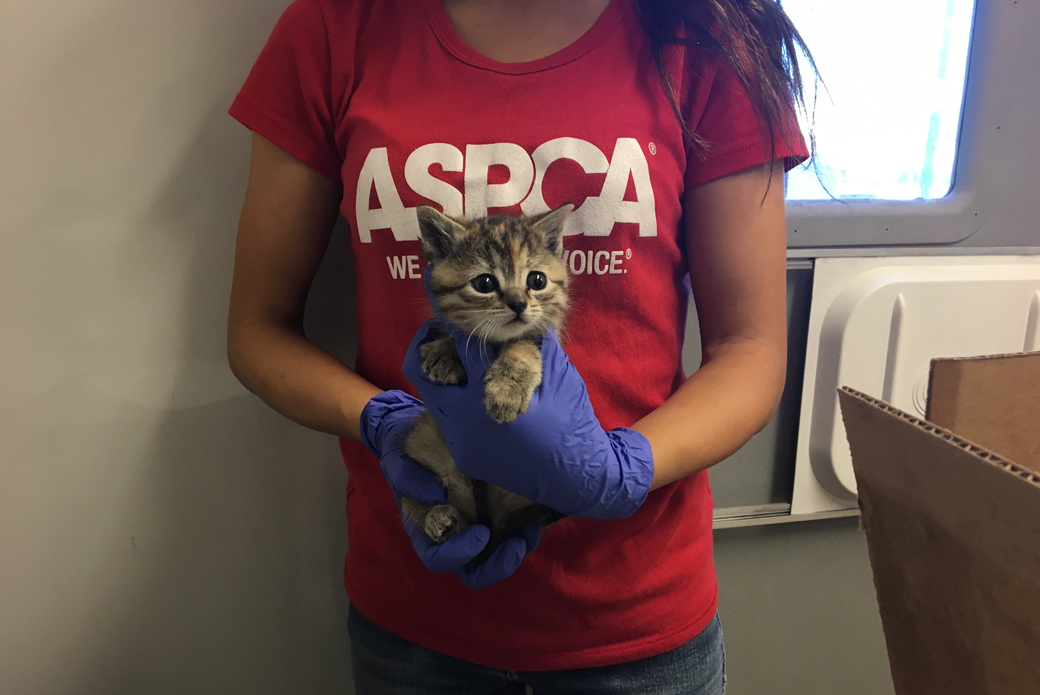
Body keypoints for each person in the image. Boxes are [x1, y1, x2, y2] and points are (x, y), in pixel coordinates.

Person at [226, 0, 813, 691]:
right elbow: (257, 331)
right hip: (416, 618)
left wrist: (625, 469)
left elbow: (751, 350)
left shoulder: (707, 35)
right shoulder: (336, 26)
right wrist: (385, 421)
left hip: (635, 628)